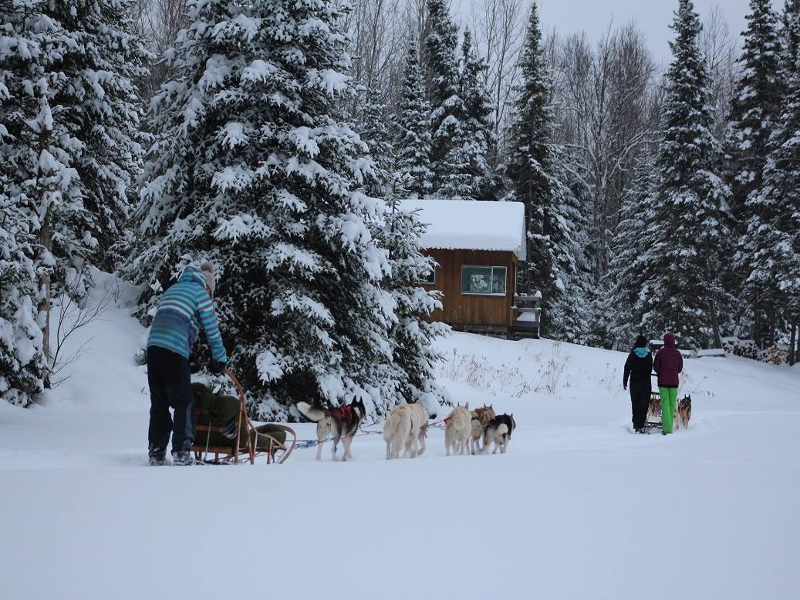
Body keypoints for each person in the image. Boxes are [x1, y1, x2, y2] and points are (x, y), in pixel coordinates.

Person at [146, 261, 227, 465]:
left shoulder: (175, 288)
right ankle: (182, 452)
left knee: (160, 402)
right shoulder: (200, 293)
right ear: (208, 287)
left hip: (154, 347)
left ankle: (156, 451)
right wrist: (220, 359)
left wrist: (188, 355)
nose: (210, 297)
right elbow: (212, 330)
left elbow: (176, 321)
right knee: (184, 401)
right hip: (173, 348)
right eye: (211, 293)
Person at [653, 332, 683, 435]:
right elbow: (680, 368)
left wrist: (661, 372)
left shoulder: (660, 353)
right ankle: (669, 427)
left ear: (665, 341)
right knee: (672, 404)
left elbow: (656, 367)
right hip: (674, 382)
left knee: (665, 404)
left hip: (663, 382)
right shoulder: (677, 353)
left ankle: (667, 429)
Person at [623, 334, 653, 434]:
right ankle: (640, 425)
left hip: (634, 383)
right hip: (646, 383)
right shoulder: (649, 354)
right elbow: (650, 368)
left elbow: (627, 367)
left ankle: (636, 425)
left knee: (635, 404)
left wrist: (625, 381)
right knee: (643, 405)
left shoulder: (632, 354)